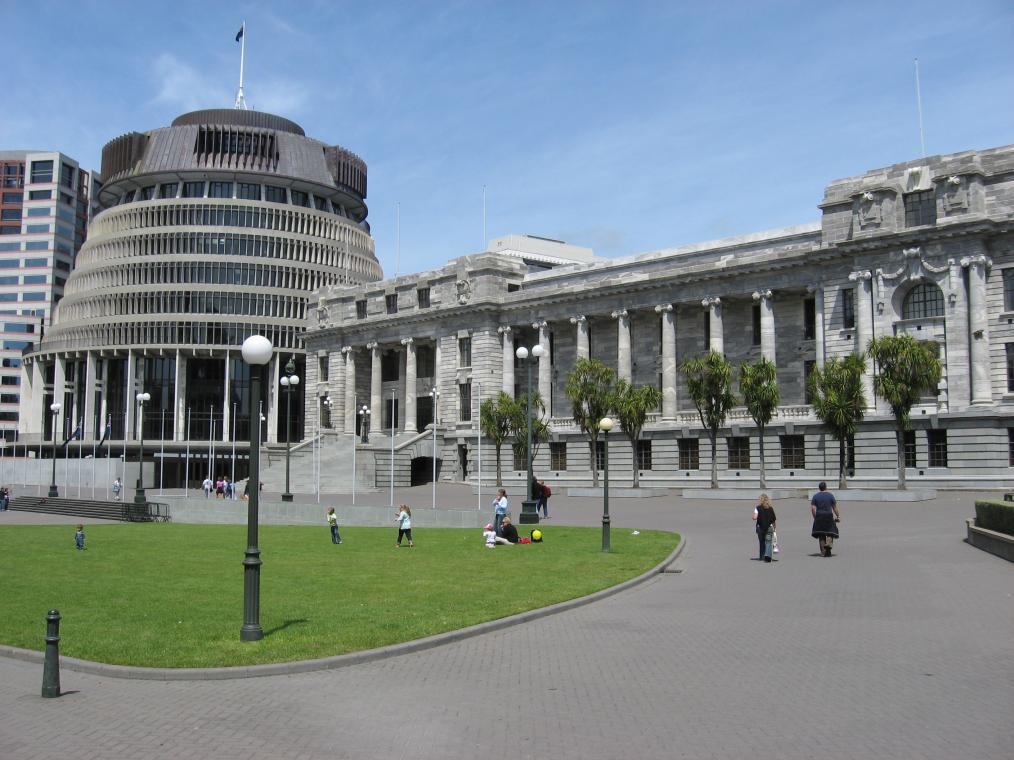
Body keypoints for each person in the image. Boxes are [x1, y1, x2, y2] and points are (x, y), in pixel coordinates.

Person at [810, 481, 841, 557]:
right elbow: (834, 507)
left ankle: (823, 552)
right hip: (828, 516)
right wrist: (838, 515)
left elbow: (813, 508)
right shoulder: (830, 496)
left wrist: (815, 517)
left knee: (821, 534)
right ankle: (828, 544)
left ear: (819, 488)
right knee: (831, 532)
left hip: (819, 516)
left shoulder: (815, 496)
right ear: (826, 487)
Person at [754, 494, 777, 562]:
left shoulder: (757, 508)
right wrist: (775, 528)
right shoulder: (770, 508)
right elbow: (773, 520)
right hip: (769, 527)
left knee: (761, 542)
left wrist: (755, 517)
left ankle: (761, 556)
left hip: (760, 528)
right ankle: (768, 557)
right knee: (768, 542)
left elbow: (754, 517)